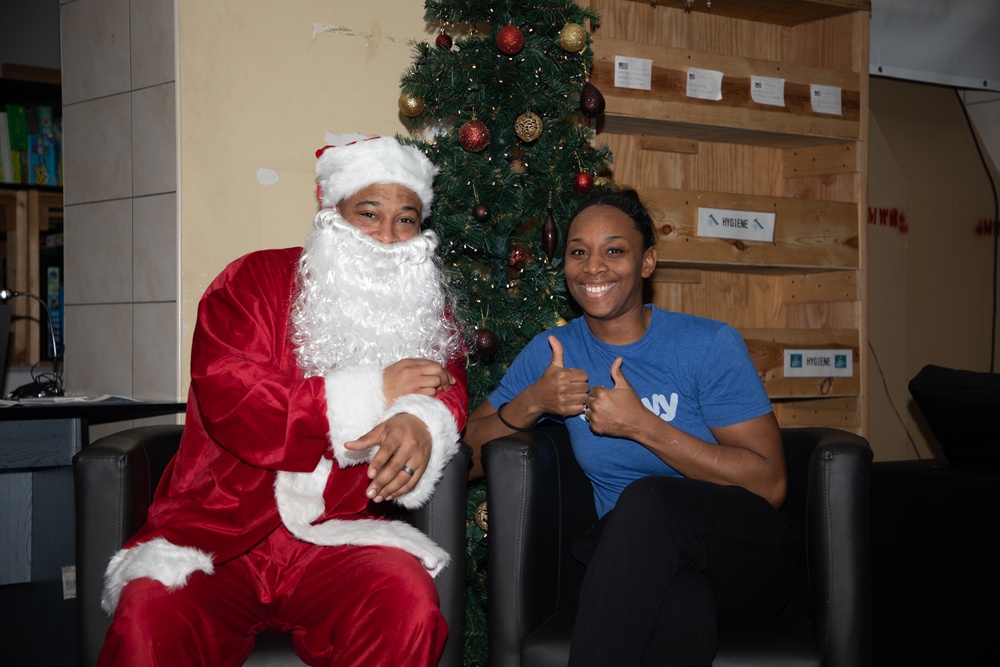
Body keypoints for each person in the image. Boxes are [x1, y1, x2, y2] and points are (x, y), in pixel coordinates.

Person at [97, 136, 469, 667]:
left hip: (341, 538)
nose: (387, 236)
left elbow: (448, 381)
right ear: (331, 211)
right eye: (369, 213)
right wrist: (375, 392)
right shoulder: (250, 282)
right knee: (150, 616)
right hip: (220, 536)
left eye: (405, 220)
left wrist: (422, 417)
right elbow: (233, 397)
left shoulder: (419, 305)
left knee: (406, 603)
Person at [464, 187, 800, 666]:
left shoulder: (707, 344)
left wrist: (643, 426)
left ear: (647, 263)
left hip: (746, 557)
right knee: (682, 607)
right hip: (642, 565)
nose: (593, 267)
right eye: (578, 252)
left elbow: (770, 484)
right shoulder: (553, 350)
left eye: (614, 251)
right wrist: (531, 402)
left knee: (648, 497)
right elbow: (467, 459)